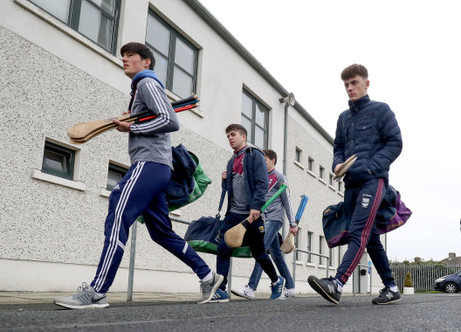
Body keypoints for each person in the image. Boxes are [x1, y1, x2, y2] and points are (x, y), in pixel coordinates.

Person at [54, 42, 222, 309]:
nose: (124, 59)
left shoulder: (146, 82)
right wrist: (132, 124)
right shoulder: (142, 88)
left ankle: (97, 291)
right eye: (123, 56)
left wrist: (135, 128)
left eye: (130, 55)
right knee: (161, 233)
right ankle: (207, 275)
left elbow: (170, 120)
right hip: (158, 167)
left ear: (146, 62)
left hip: (149, 164)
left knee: (119, 210)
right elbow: (158, 119)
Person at [308, 64, 403, 305]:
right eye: (346, 85)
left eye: (354, 83)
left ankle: (337, 283)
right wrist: (337, 165)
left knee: (358, 230)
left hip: (374, 180)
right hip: (350, 184)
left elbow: (395, 143)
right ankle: (391, 287)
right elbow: (338, 147)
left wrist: (372, 166)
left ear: (366, 84)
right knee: (369, 237)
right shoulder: (343, 118)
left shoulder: (381, 110)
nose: (350, 88)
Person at [207, 125, 285, 302]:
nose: (230, 138)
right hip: (233, 214)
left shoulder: (254, 155)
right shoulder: (231, 161)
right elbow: (230, 190)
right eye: (228, 136)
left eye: (233, 135)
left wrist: (256, 206)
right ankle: (221, 289)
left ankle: (276, 280)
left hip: (252, 215)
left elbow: (262, 182)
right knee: (223, 248)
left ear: (244, 136)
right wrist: (224, 182)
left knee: (259, 253)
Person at [231, 149, 299, 300]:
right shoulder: (260, 177)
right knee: (276, 255)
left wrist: (293, 223)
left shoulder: (280, 178)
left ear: (273, 161)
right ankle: (290, 286)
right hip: (262, 219)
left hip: (274, 219)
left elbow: (287, 202)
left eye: (265, 160)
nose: (262, 163)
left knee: (260, 250)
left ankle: (251, 288)